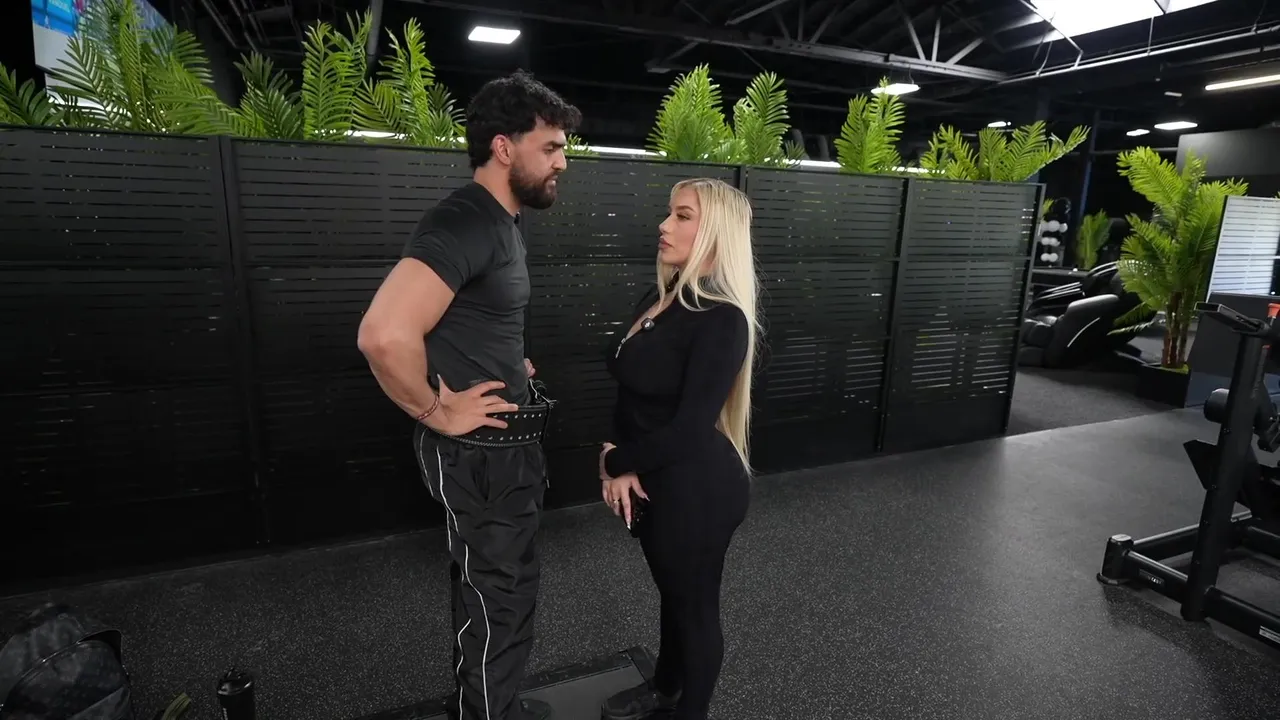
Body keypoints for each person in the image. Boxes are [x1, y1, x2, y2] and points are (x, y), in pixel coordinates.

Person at [356, 71, 581, 720]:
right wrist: (436, 410)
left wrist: (508, 362)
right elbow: (383, 335)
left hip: (496, 453)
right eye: (551, 147)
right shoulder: (466, 219)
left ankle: (483, 706)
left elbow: (464, 318)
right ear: (504, 147)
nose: (562, 162)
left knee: (488, 593)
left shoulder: (500, 221)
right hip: (483, 457)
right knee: (501, 600)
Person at [597, 178, 759, 720]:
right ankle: (665, 686)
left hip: (698, 490)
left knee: (694, 608)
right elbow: (631, 392)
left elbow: (689, 429)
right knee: (673, 591)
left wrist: (613, 462)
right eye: (670, 213)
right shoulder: (661, 298)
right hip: (656, 476)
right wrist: (622, 458)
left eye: (683, 216)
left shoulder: (722, 319)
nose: (664, 226)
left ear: (715, 231)